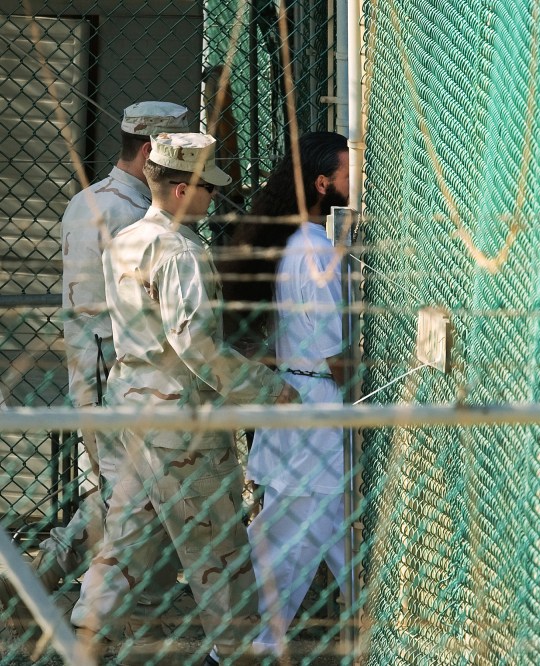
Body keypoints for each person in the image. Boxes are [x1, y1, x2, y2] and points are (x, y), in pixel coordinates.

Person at [69, 132, 298, 665]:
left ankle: (88, 635)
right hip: (181, 423)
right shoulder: (180, 252)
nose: (213, 197)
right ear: (179, 190)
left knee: (128, 535)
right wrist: (269, 391)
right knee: (219, 548)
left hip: (133, 413)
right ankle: (240, 651)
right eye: (206, 188)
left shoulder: (127, 239)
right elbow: (195, 343)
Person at [0, 101, 189, 628]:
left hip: (92, 367)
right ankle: (70, 595)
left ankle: (47, 581)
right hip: (120, 372)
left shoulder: (84, 202)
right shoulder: (130, 214)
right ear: (152, 151)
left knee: (115, 489)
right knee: (126, 491)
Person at [223, 131, 351, 660]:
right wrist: (358, 374)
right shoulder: (314, 249)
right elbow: (332, 348)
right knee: (299, 526)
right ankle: (254, 639)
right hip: (314, 398)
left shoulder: (290, 241)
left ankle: (357, 616)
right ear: (323, 184)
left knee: (318, 518)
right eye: (346, 173)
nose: (353, 181)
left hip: (297, 393)